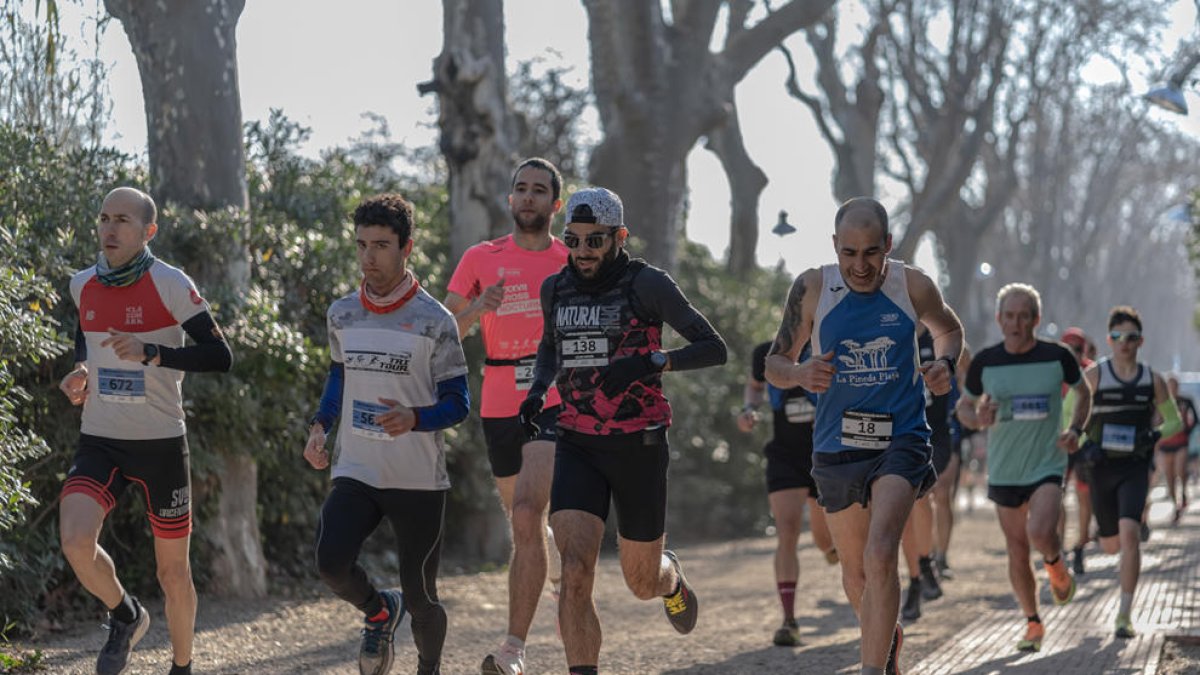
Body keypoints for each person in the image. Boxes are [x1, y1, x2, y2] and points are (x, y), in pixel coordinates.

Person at [519, 187, 727, 675]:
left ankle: (670, 579)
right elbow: (550, 347)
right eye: (574, 240)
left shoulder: (648, 285)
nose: (584, 252)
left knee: (640, 581)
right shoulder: (555, 288)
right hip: (576, 441)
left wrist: (653, 361)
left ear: (620, 237)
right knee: (574, 571)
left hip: (639, 443)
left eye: (596, 241)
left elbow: (713, 347)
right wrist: (537, 389)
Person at [765, 197, 963, 675]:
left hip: (903, 439)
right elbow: (774, 363)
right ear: (834, 246)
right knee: (855, 575)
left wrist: (944, 364)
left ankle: (872, 669)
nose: (860, 265)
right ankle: (886, 645)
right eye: (849, 253)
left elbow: (949, 329)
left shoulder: (911, 285)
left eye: (871, 253)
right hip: (837, 447)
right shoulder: (813, 287)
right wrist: (800, 373)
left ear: (888, 246)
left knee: (880, 555)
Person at [58, 187, 233, 675]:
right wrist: (81, 369)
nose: (110, 229)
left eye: (123, 221)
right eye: (104, 218)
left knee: (172, 572)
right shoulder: (83, 283)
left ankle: (181, 666)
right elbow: (86, 336)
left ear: (148, 231)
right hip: (101, 438)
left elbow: (220, 356)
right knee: (75, 541)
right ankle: (125, 614)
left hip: (160, 444)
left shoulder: (171, 283)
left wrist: (153, 353)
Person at [304, 194, 470, 675]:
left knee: (421, 596)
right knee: (331, 563)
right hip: (357, 469)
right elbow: (339, 376)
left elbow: (459, 403)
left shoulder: (435, 321)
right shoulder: (342, 314)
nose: (368, 257)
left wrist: (415, 418)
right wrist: (320, 426)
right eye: (361, 245)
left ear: (407, 248)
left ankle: (429, 668)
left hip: (417, 479)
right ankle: (378, 612)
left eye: (380, 245)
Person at [443, 158, 569, 675]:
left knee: (528, 513)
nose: (529, 197)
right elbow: (448, 326)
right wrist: (479, 308)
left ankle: (513, 649)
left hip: (558, 397)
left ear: (555, 205)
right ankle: (564, 584)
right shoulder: (482, 256)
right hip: (499, 397)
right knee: (526, 526)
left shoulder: (570, 258)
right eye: (521, 189)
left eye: (540, 191)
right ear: (510, 200)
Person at [955, 283, 1089, 653]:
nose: (1016, 323)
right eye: (1009, 316)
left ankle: (1056, 565)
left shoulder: (1057, 356)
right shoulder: (985, 362)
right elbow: (963, 409)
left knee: (1041, 531)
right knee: (1016, 549)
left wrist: (1075, 428)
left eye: (1024, 316)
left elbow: (1083, 392)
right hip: (1004, 469)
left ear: (1036, 319)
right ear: (999, 320)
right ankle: (1032, 622)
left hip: (1047, 462)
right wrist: (978, 417)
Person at [1078, 306, 1181, 639]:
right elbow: (1071, 418)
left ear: (1141, 341)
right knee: (1110, 546)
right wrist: (1084, 443)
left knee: (1130, 535)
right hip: (1101, 468)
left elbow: (1175, 421)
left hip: (1135, 467)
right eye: (1119, 337)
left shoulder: (1153, 380)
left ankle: (1124, 614)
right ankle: (1101, 535)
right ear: (1109, 340)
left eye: (1132, 337)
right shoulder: (1094, 377)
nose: (1125, 343)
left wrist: (1152, 436)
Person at [736, 340, 837, 647]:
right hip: (784, 457)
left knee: (824, 540)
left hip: (826, 453)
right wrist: (749, 409)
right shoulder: (765, 353)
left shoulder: (829, 347)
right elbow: (754, 387)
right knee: (787, 531)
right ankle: (789, 620)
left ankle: (838, 553)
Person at [898, 328, 952, 621]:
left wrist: (968, 406)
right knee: (905, 510)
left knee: (919, 496)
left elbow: (966, 367)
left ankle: (925, 562)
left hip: (935, 435)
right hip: (901, 433)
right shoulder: (890, 333)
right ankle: (917, 576)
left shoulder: (938, 338)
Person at [1060, 327, 1096, 574]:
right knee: (1055, 498)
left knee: (1084, 499)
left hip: (1085, 444)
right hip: (1058, 445)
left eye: (1076, 349)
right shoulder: (1053, 373)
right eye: (1067, 349)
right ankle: (1059, 547)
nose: (1072, 353)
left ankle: (1080, 548)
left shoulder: (1092, 372)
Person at [1156, 374, 1196, 524]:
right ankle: (1175, 506)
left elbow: (1195, 420)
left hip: (1181, 443)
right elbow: (1155, 420)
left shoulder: (1185, 401)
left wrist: (1187, 432)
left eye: (1174, 385)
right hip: (1166, 444)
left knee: (1180, 470)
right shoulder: (1161, 403)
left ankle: (1184, 493)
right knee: (1169, 478)